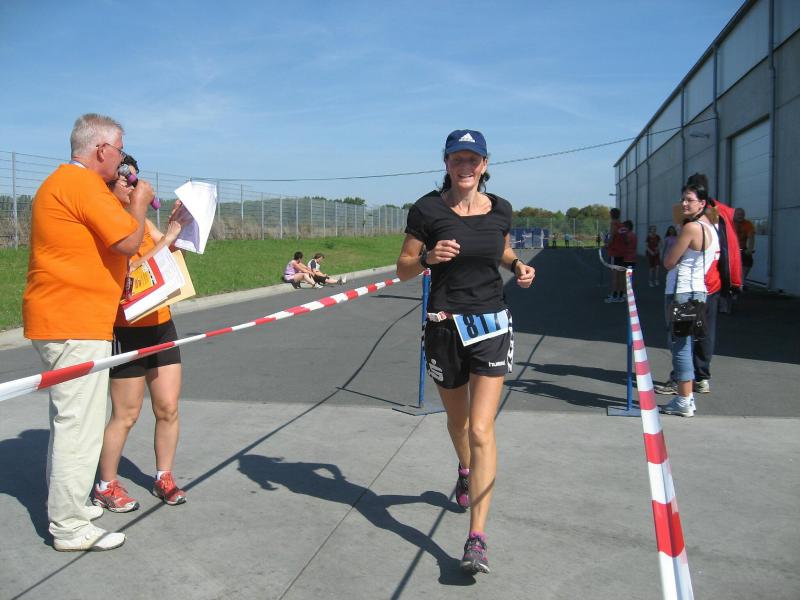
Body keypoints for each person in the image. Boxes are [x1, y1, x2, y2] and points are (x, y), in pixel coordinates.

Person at [396, 129, 535, 575]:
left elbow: (502, 248)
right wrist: (428, 258)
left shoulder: (501, 209)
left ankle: (477, 538)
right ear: (446, 164)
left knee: (480, 428)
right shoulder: (427, 210)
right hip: (444, 326)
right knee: (457, 424)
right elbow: (402, 268)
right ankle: (465, 469)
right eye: (458, 159)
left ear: (485, 165)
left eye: (473, 160)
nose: (465, 167)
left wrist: (517, 265)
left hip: (490, 324)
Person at [22, 113, 154, 551]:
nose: (122, 160)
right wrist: (139, 201)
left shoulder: (67, 183)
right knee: (79, 426)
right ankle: (70, 526)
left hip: (67, 318)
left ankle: (71, 504)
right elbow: (128, 241)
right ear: (102, 150)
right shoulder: (81, 184)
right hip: (73, 321)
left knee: (73, 420)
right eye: (120, 150)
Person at [93, 155, 191, 514]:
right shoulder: (109, 221)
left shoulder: (143, 220)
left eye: (135, 180)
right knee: (127, 414)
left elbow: (166, 251)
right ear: (109, 184)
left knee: (168, 407)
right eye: (126, 180)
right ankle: (106, 485)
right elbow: (129, 270)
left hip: (161, 323)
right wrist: (168, 240)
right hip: (127, 329)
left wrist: (181, 227)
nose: (133, 186)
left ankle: (164, 476)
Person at [658, 183, 719, 417]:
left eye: (689, 200)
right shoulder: (711, 227)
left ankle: (684, 399)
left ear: (702, 203)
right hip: (699, 292)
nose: (684, 203)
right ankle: (687, 398)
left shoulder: (691, 228)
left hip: (682, 292)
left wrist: (676, 237)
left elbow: (668, 261)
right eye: (683, 199)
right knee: (686, 343)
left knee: (680, 346)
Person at [605, 210, 629, 303]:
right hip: (622, 254)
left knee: (615, 276)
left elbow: (611, 240)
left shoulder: (613, 225)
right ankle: (622, 295)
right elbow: (626, 240)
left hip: (615, 253)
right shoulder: (622, 226)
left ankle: (614, 296)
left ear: (611, 215)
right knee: (622, 275)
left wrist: (606, 244)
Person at [733, 207, 755, 282]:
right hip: (731, 248)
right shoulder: (729, 223)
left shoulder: (748, 224)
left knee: (748, 262)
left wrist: (750, 249)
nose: (740, 216)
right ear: (734, 215)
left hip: (742, 248)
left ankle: (741, 281)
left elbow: (751, 237)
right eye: (738, 214)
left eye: (742, 214)